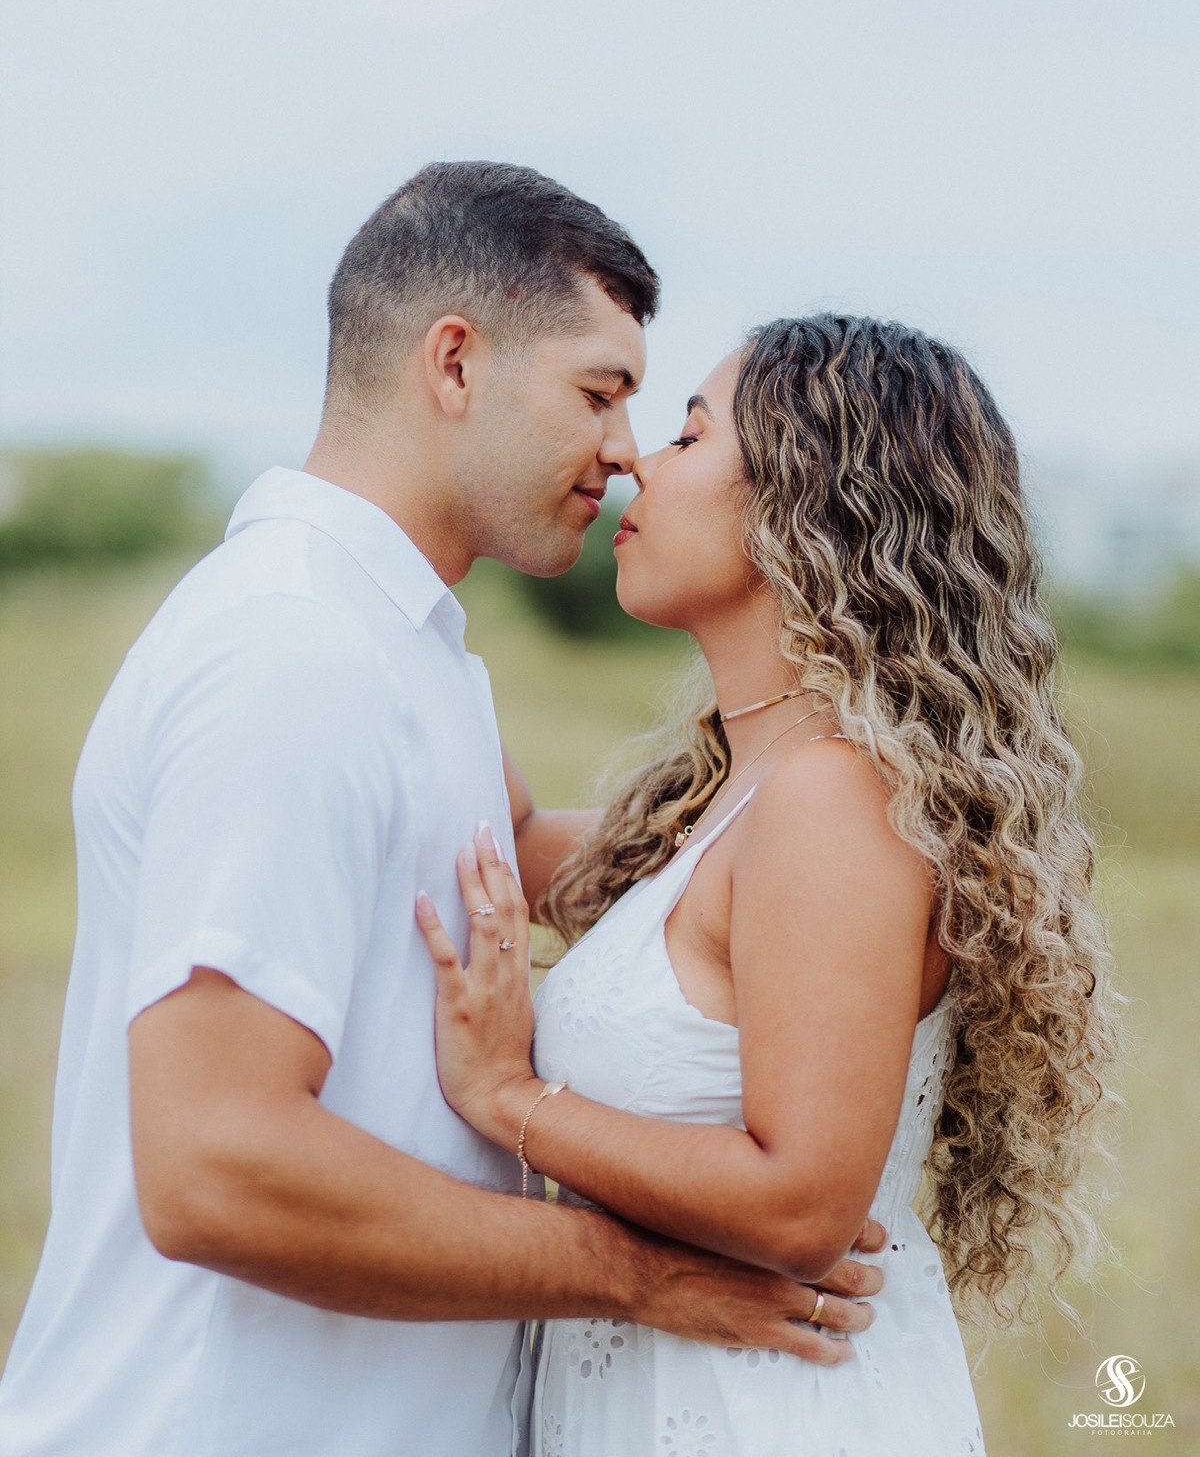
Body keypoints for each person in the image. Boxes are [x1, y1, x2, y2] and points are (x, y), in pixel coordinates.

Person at [0, 166, 887, 1457]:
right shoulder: (291, 654)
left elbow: (570, 871)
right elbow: (213, 1163)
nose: (625, 451)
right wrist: (636, 1273)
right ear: (456, 364)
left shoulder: (406, 652)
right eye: (600, 392)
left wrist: (852, 819)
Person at [415, 314, 1122, 1457]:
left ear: (805, 504)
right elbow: (515, 835)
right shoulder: (737, 798)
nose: (639, 459)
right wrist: (435, 547)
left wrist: (511, 1104)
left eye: (690, 438)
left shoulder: (833, 802)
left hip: (767, 1418)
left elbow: (801, 1205)